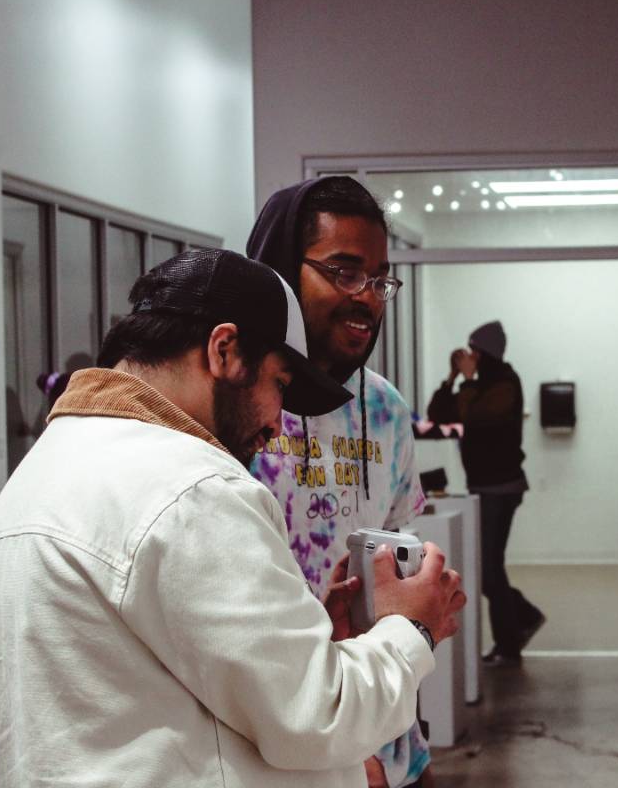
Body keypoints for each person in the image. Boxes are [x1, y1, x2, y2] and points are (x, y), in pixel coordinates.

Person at [0, 249, 464, 787]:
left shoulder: (31, 482)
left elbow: (146, 697)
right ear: (224, 350)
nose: (279, 424)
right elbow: (319, 717)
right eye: (278, 384)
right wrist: (410, 627)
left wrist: (315, 645)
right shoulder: (195, 490)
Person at [247, 176, 433, 788]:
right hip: (274, 741)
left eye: (379, 280)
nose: (368, 298)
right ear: (279, 274)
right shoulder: (230, 412)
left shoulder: (385, 409)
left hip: (381, 727)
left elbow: (392, 570)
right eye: (343, 272)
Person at [427, 321, 545, 665]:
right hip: (484, 487)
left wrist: (465, 380)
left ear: (487, 354)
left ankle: (510, 642)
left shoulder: (505, 384)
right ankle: (522, 618)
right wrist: (451, 378)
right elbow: (439, 414)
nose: (470, 356)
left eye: (475, 351)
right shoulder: (480, 384)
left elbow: (474, 416)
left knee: (489, 570)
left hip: (502, 487)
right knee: (488, 568)